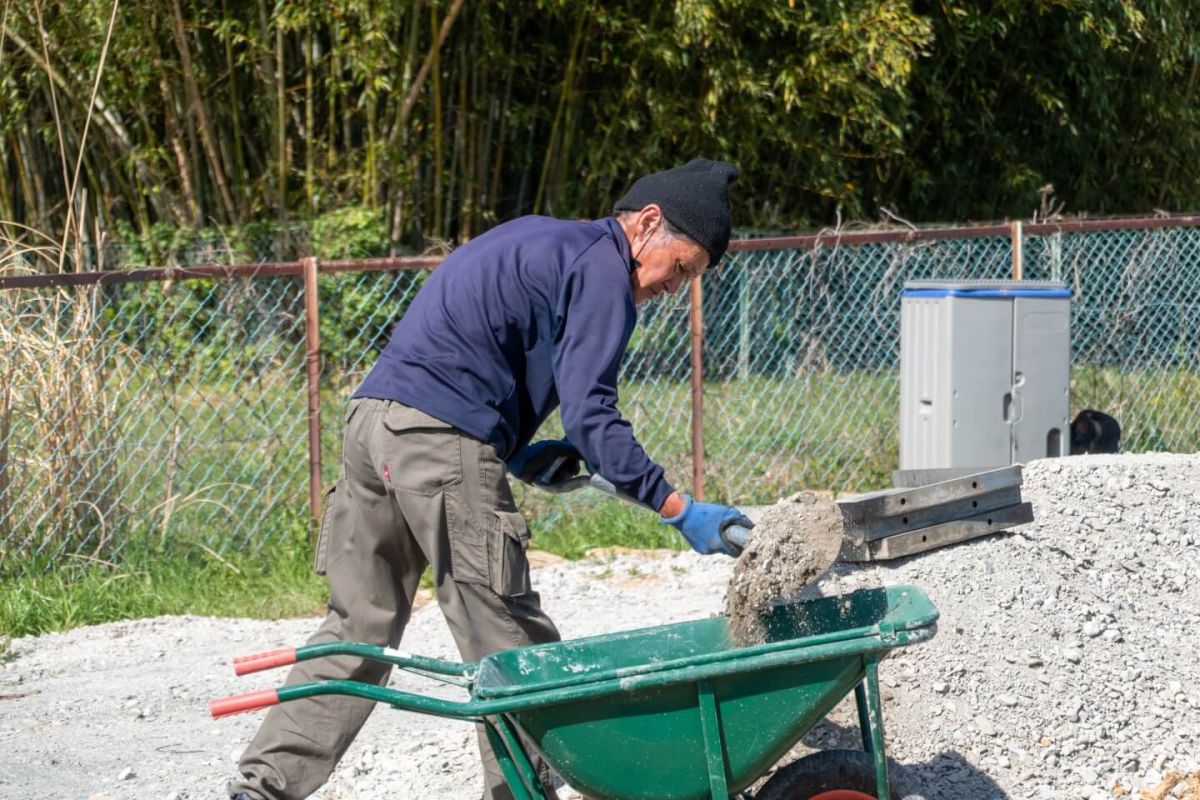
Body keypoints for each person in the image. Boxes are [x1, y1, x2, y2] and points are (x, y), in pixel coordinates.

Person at [229, 159, 751, 800]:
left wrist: (510, 449)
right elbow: (592, 414)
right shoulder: (604, 271)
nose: (676, 287)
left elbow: (471, 346)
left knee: (356, 622)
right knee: (513, 643)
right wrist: (676, 507)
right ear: (647, 224)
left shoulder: (541, 236)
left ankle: (265, 785)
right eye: (683, 267)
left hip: (373, 426)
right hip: (439, 442)